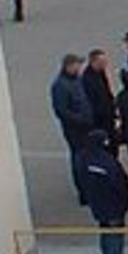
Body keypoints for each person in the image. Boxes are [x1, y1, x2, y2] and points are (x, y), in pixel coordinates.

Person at [76, 130, 128, 254]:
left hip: (97, 205)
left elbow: (81, 182)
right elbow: (120, 184)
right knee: (115, 236)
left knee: (104, 232)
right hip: (113, 206)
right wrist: (126, 200)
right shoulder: (107, 162)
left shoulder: (83, 159)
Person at [51, 54, 93, 203]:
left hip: (86, 126)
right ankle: (83, 192)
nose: (79, 68)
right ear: (68, 66)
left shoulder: (77, 80)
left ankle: (89, 187)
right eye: (77, 65)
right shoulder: (60, 86)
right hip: (75, 130)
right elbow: (61, 111)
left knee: (87, 156)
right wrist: (81, 120)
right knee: (79, 158)